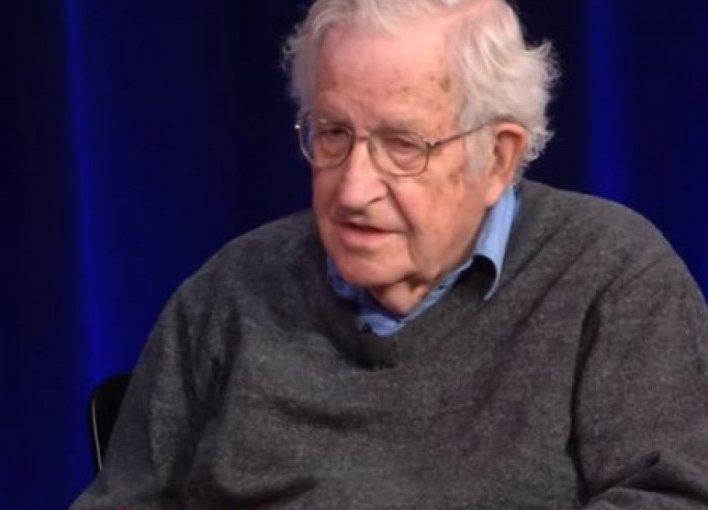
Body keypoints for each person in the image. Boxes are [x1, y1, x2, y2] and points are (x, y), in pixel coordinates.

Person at [70, 0, 708, 508]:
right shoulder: (228, 296)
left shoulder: (612, 279)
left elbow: (673, 497)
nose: (353, 189)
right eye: (333, 134)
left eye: (403, 145)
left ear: (498, 156)